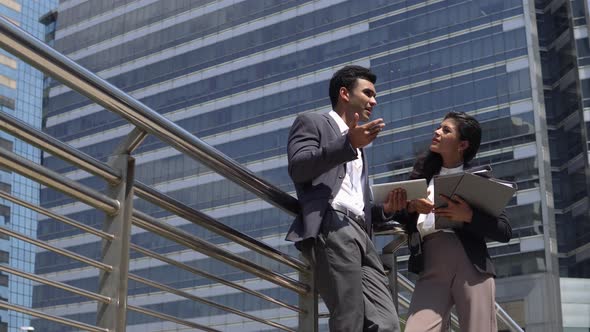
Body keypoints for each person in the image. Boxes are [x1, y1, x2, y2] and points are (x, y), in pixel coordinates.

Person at [285, 65, 401, 332]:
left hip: (362, 233)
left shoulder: (358, 144)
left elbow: (355, 198)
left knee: (387, 323)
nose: (374, 100)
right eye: (368, 93)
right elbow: (299, 167)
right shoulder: (312, 121)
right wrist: (347, 144)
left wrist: (386, 209)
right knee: (349, 317)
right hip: (333, 225)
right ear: (344, 94)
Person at [390, 111, 512, 332]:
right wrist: (411, 206)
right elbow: (397, 214)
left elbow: (504, 231)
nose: (437, 132)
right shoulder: (421, 177)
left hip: (472, 265)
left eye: (446, 130)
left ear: (462, 144)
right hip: (431, 263)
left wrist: (468, 216)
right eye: (439, 127)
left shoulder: (481, 180)